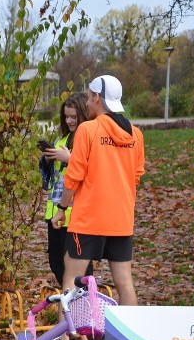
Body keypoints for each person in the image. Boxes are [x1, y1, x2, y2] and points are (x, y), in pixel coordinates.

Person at [51, 75, 145, 306]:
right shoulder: (135, 134)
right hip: (121, 218)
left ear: (97, 99)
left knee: (70, 281)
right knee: (124, 282)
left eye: (91, 98)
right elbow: (136, 176)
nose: (89, 104)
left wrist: (62, 208)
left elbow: (73, 176)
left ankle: (67, 337)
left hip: (89, 219)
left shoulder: (88, 129)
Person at [39, 92, 93, 288]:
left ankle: (84, 309)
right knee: (57, 265)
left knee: (80, 271)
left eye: (73, 117)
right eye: (66, 116)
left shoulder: (89, 138)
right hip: (55, 213)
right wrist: (47, 159)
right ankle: (70, 309)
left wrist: (70, 159)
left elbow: (95, 171)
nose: (69, 121)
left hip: (78, 215)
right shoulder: (62, 140)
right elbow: (50, 176)